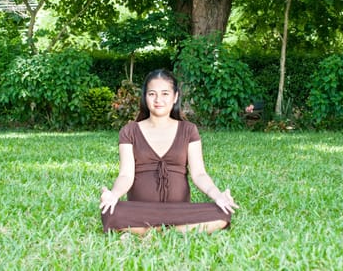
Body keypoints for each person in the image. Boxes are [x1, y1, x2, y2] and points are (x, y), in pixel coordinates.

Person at [100, 69, 239, 234]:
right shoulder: (129, 131)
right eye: (152, 94)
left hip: (179, 211)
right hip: (141, 211)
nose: (158, 99)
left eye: (165, 93)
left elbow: (199, 174)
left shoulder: (188, 130)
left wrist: (218, 196)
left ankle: (150, 232)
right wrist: (114, 195)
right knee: (110, 212)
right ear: (145, 97)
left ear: (175, 97)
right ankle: (172, 231)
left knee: (223, 213)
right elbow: (125, 175)